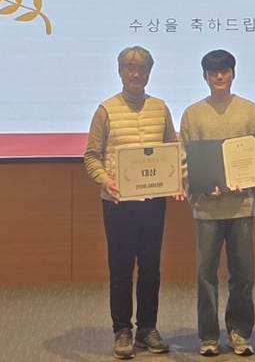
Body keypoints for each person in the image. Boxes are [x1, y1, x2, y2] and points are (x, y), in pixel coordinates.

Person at [84, 46, 178, 360]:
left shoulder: (161, 108)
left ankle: (147, 328)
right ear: (120, 72)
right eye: (130, 68)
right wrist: (106, 181)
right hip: (118, 202)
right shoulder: (105, 110)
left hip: (153, 201)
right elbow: (91, 157)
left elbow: (172, 150)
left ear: (149, 73)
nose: (136, 74)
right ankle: (122, 330)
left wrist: (177, 181)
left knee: (151, 268)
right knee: (121, 270)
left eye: (142, 69)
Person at [180, 50, 255, 358]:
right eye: (213, 72)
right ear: (205, 76)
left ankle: (240, 333)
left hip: (241, 204)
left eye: (225, 71)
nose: (219, 76)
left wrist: (250, 178)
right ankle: (208, 336)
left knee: (243, 274)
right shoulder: (192, 114)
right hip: (207, 207)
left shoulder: (250, 111)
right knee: (206, 275)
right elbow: (184, 158)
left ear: (233, 74)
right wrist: (202, 184)